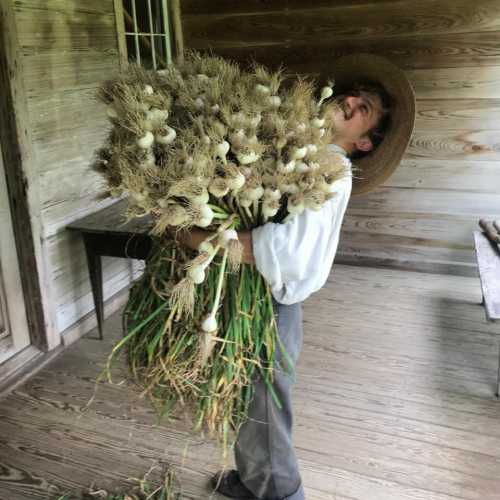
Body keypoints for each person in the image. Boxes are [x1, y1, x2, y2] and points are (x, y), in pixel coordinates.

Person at [176, 54, 416, 500]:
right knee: (247, 398)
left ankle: (283, 495)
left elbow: (280, 252)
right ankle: (253, 479)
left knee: (263, 401)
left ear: (364, 143)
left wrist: (193, 237)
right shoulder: (294, 157)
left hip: (269, 304)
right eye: (352, 95)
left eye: (364, 108)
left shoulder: (332, 171)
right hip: (247, 293)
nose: (350, 102)